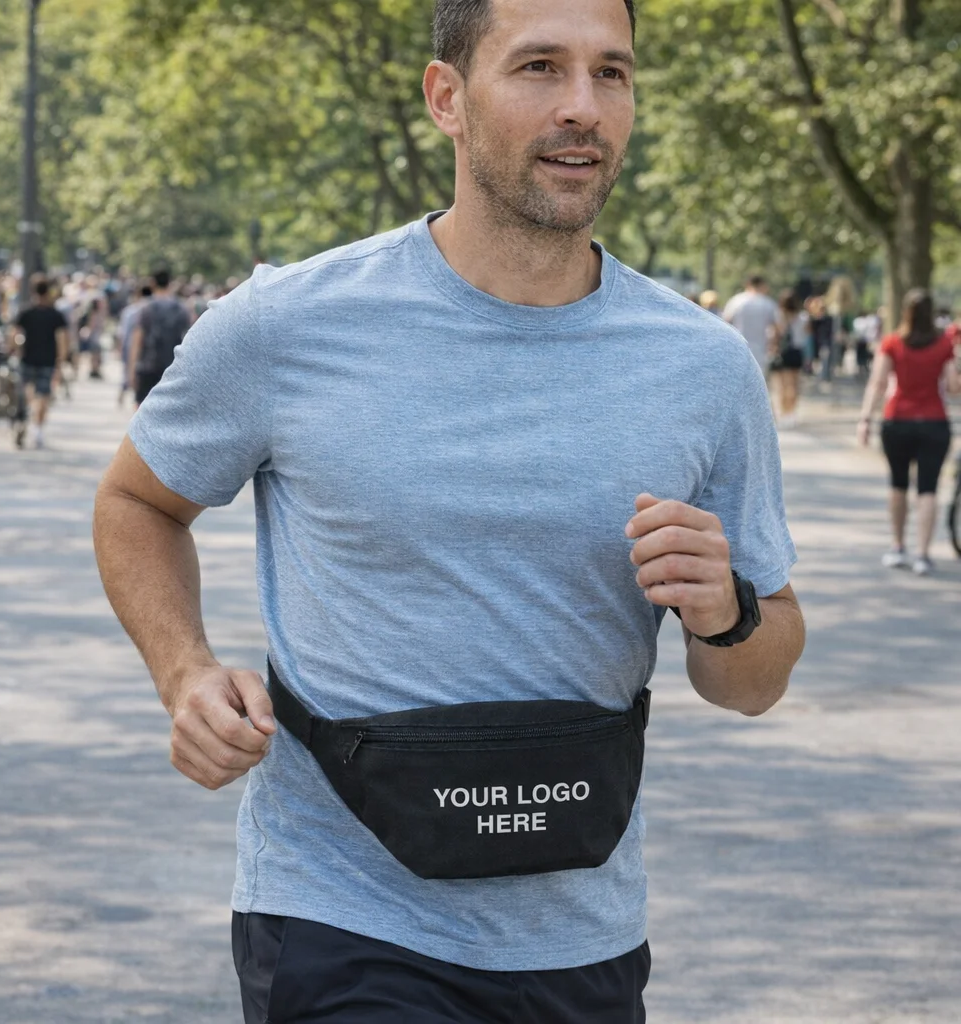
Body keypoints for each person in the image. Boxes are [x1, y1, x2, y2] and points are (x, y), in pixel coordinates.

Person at [93, 1, 805, 1020]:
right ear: (446, 99)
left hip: (581, 935)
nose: (582, 107)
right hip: (342, 915)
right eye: (538, 68)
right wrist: (184, 672)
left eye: (611, 74)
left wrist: (725, 610)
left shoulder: (699, 365)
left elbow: (755, 681)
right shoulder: (288, 325)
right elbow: (134, 500)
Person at [858, 289, 961, 575]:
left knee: (898, 484)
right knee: (928, 488)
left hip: (897, 421)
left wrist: (865, 418)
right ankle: (924, 554)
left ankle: (898, 546)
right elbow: (954, 388)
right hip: (934, 422)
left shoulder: (892, 342)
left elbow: (877, 383)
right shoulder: (944, 345)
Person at [12, 277, 70, 449]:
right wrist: (61, 362)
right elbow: (62, 340)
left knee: (27, 391)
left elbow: (14, 335)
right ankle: (37, 428)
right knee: (43, 395)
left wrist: (16, 349)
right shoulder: (55, 315)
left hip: (27, 359)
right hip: (48, 360)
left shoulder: (25, 312)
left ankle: (31, 415)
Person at [127, 269, 190, 407]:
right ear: (170, 283)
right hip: (172, 366)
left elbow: (137, 341)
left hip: (147, 365)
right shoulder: (182, 309)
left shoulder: (145, 308)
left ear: (152, 283)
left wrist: (131, 371)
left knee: (141, 408)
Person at [767, 289, 807, 428]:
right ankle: (791, 412)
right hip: (796, 352)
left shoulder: (778, 316)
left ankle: (783, 412)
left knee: (781, 385)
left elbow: (775, 334)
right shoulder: (802, 317)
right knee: (794, 385)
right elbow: (806, 335)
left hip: (782, 352)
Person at [723, 274, 779, 371]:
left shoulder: (736, 301)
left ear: (747, 284)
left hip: (738, 348)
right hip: (761, 350)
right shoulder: (768, 303)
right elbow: (777, 328)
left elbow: (725, 322)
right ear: (762, 285)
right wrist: (774, 345)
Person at [116, 282, 153, 406]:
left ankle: (123, 394)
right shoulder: (152, 310)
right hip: (148, 350)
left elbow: (123, 332)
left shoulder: (130, 311)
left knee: (128, 372)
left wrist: (121, 347)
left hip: (131, 346)